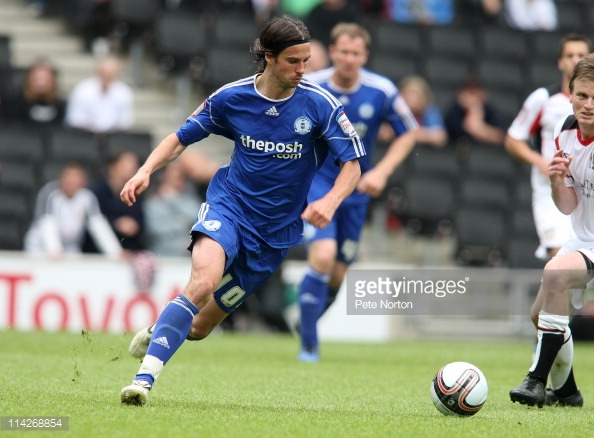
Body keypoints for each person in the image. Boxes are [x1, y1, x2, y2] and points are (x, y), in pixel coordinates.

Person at [119, 15, 364, 405]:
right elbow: (180, 138)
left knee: (198, 328)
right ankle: (143, 380)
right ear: (268, 57)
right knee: (202, 282)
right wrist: (146, 170)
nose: (304, 70)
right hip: (229, 208)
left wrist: (330, 201)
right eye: (294, 62)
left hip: (275, 235)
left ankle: (162, 327)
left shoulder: (320, 104)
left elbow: (352, 165)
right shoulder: (232, 97)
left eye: (306, 61)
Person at [296, 23, 418, 363]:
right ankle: (309, 345)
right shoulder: (312, 87)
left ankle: (306, 321)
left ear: (365, 55)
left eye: (356, 53)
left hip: (358, 188)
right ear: (332, 52)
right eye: (343, 51)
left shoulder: (382, 90)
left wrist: (381, 171)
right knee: (322, 257)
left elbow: (409, 132)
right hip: (318, 182)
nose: (349, 59)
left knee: (337, 272)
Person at [508, 53, 594, 409]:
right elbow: (569, 205)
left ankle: (536, 380)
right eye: (583, 95)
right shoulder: (567, 130)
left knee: (555, 272)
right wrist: (556, 179)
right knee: (537, 315)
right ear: (570, 93)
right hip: (583, 237)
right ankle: (568, 392)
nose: (589, 105)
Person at [505, 33, 591, 268]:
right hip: (550, 191)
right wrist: (541, 162)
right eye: (569, 55)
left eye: (580, 55)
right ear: (560, 62)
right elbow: (513, 139)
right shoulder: (543, 99)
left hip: (586, 190)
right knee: (561, 260)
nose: (575, 60)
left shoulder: (591, 104)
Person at [23, 162, 122, 258]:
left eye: (76, 177)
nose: (71, 181)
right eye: (68, 177)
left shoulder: (87, 198)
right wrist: (54, 249)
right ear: (61, 179)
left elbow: (98, 225)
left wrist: (116, 252)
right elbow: (47, 222)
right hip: (41, 247)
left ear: (83, 181)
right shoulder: (50, 193)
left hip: (70, 248)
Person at [144, 159, 212, 257]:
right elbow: (155, 229)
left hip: (191, 250)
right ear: (163, 176)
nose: (178, 176)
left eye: (181, 174)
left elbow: (199, 218)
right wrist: (184, 224)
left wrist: (173, 198)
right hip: (163, 252)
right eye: (174, 172)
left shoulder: (189, 197)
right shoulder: (153, 201)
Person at [65, 55, 134, 134]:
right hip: (85, 136)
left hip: (114, 138)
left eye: (110, 75)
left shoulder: (124, 92)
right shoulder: (82, 90)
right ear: (97, 73)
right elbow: (75, 119)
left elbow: (126, 122)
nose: (106, 78)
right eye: (104, 74)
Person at [2, 59, 67, 126]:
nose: (41, 84)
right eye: (37, 79)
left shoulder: (60, 106)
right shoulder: (15, 105)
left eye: (45, 79)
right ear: (28, 80)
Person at [444, 75, 505, 146]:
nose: (473, 99)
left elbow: (501, 136)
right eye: (469, 94)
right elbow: (457, 132)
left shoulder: (489, 109)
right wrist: (473, 112)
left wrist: (479, 128)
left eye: (475, 94)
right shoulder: (454, 110)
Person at [398, 74, 448, 148]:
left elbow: (439, 137)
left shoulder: (430, 111)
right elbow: (384, 134)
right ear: (402, 96)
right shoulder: (393, 110)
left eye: (419, 97)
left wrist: (406, 133)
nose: (416, 101)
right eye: (412, 96)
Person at [387, 0, 455, 25]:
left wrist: (432, 18)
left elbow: (448, 15)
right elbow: (393, 12)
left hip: (435, 33)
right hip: (404, 31)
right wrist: (412, 17)